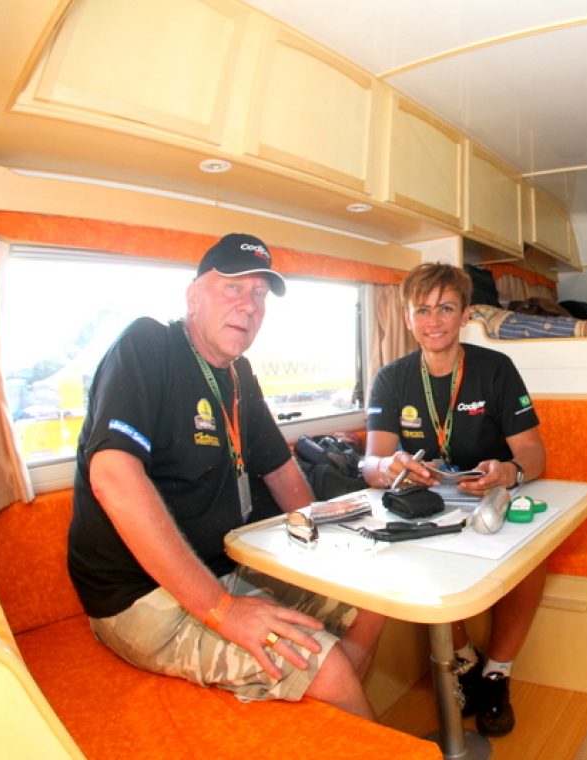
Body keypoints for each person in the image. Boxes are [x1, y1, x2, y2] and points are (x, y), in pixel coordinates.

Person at [67, 233, 384, 719]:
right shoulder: (147, 346)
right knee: (329, 669)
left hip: (225, 566)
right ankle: (343, 709)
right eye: (233, 287)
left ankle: (334, 729)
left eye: (259, 294)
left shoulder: (238, 375)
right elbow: (112, 477)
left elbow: (281, 471)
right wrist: (223, 609)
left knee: (371, 601)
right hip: (139, 595)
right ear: (193, 296)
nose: (248, 305)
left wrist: (330, 555)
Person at [362, 262, 547, 737]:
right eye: (422, 310)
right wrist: (390, 467)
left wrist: (509, 470)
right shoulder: (391, 378)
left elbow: (533, 453)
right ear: (407, 318)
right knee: (421, 562)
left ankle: (496, 672)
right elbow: (371, 462)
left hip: (491, 496)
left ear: (465, 314)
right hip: (426, 504)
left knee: (532, 560)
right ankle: (463, 657)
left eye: (446, 308)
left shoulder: (496, 369)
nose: (434, 321)